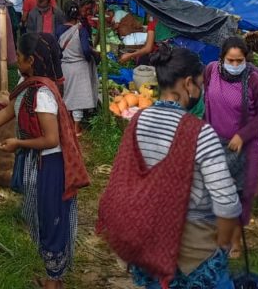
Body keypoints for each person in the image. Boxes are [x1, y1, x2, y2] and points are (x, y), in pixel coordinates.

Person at [102, 44, 242, 288]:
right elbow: (227, 203)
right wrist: (226, 242)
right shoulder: (200, 133)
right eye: (199, 84)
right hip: (192, 248)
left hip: (147, 241)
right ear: (188, 84)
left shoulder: (137, 122)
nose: (200, 89)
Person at [0, 34, 89, 289]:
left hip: (51, 166)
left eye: (18, 57)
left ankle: (54, 281)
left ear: (30, 61)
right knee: (41, 216)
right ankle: (54, 276)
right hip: (38, 162)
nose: (15, 61)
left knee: (51, 218)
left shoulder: (42, 94)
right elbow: (10, 111)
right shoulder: (29, 87)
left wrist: (19, 144)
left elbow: (51, 139)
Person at [202, 36, 258, 256]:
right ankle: (218, 235)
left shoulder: (253, 81)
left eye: (239, 60)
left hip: (245, 146)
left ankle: (237, 241)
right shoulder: (211, 71)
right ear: (221, 59)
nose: (234, 65)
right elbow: (208, 100)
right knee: (215, 189)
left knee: (241, 193)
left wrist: (243, 135)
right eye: (230, 60)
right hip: (215, 141)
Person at [58, 2, 100, 135]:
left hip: (64, 66)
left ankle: (66, 123)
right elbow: (86, 51)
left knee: (67, 95)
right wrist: (92, 58)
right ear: (77, 16)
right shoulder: (80, 30)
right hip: (79, 67)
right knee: (78, 98)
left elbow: (56, 49)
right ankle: (76, 127)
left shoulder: (58, 29)